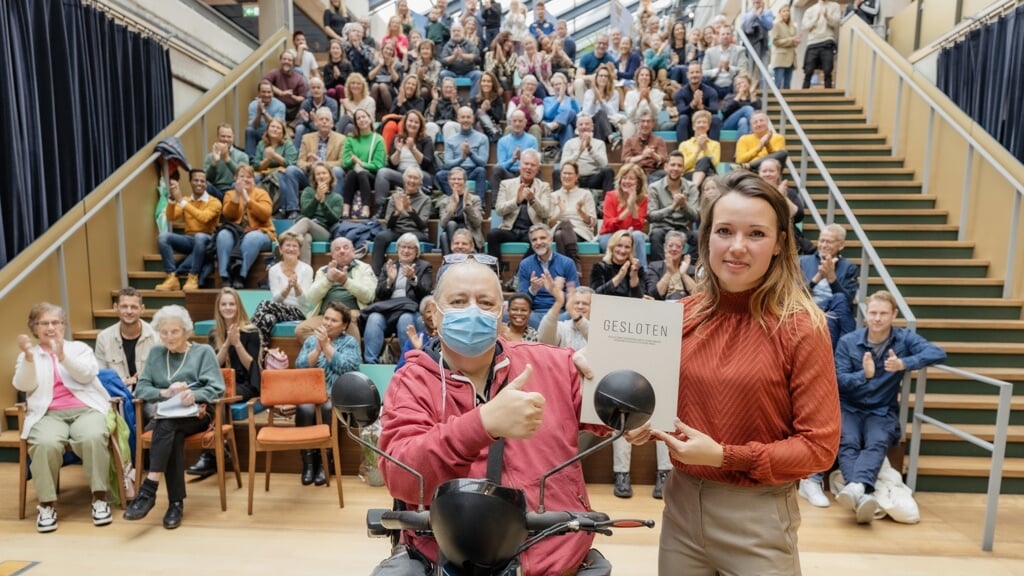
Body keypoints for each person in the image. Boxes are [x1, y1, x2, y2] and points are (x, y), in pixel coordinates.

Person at [613, 171, 840, 574]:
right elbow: (649, 407)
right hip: (680, 510)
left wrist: (725, 456)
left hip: (758, 518)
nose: (737, 247)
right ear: (707, 239)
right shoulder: (678, 317)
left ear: (779, 243)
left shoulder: (803, 326)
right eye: (724, 231)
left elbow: (819, 447)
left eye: (755, 233)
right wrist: (635, 422)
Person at [373, 258, 613, 576]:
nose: (473, 311)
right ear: (434, 314)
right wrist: (482, 424)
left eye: (485, 302)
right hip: (448, 560)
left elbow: (622, 414)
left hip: (554, 558)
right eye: (458, 301)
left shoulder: (555, 365)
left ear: (500, 314)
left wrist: (613, 372)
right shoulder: (411, 381)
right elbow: (402, 476)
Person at [834, 291, 946, 523]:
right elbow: (839, 379)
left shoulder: (904, 340)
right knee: (848, 441)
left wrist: (905, 363)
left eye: (883, 313)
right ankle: (863, 491)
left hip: (881, 408)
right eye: (873, 313)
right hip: (850, 406)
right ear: (866, 315)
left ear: (894, 314)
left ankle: (857, 490)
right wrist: (863, 375)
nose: (877, 318)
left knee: (876, 442)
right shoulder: (848, 341)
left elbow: (937, 353)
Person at [14, 303, 113, 533]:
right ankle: (47, 505)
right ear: (34, 327)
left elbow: (87, 374)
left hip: (86, 409)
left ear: (63, 325)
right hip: (47, 414)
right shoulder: (28, 355)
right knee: (44, 444)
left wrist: (62, 356)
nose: (50, 327)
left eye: (55, 322)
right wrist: (29, 358)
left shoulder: (79, 348)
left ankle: (99, 498)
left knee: (93, 436)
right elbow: (23, 385)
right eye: (44, 323)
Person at [124, 306, 225, 529]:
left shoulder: (203, 352)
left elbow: (218, 388)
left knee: (167, 426)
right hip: (167, 415)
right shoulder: (156, 354)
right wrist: (165, 393)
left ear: (186, 332)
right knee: (171, 431)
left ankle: (149, 490)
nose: (169, 337)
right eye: (164, 332)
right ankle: (175, 504)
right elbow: (141, 389)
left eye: (175, 331)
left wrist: (195, 394)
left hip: (198, 413)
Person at [186, 288, 262, 479]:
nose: (228, 308)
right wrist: (226, 343)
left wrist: (237, 343)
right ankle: (218, 448)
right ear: (218, 308)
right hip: (220, 383)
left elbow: (251, 367)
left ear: (238, 306)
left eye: (231, 304)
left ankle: (210, 453)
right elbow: (212, 366)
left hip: (245, 383)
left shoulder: (252, 331)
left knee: (216, 396)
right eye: (224, 304)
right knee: (208, 394)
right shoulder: (214, 333)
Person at [295, 301, 361, 485]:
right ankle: (309, 464)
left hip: (336, 394)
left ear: (344, 325)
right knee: (304, 409)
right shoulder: (310, 341)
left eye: (333, 320)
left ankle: (326, 463)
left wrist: (327, 347)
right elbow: (300, 367)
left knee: (327, 407)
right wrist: (317, 348)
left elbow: (348, 369)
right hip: (310, 394)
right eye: (326, 318)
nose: (327, 323)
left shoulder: (349, 342)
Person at [361, 233, 434, 364]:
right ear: (398, 249)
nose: (406, 251)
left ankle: (408, 363)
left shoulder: (424, 266)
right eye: (403, 247)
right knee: (374, 318)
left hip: (410, 311)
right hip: (388, 310)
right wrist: (389, 280)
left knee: (405, 319)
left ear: (417, 251)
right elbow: (379, 294)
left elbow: (426, 294)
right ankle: (370, 364)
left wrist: (412, 279)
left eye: (410, 248)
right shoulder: (389, 266)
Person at [295, 237, 377, 343]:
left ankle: (353, 358)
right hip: (326, 316)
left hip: (353, 313)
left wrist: (346, 282)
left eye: (345, 248)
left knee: (348, 318)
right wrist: (328, 280)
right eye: (337, 249)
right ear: (332, 254)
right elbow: (311, 299)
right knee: (301, 330)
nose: (342, 251)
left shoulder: (364, 268)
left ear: (353, 252)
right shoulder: (323, 271)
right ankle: (326, 353)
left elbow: (368, 297)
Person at [155, 169, 222, 291]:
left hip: (207, 240)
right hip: (189, 240)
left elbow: (204, 218)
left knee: (200, 237)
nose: (199, 183)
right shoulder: (186, 200)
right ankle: (171, 277)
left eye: (202, 181)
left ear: (206, 184)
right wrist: (172, 199)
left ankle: (193, 276)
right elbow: (172, 216)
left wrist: (182, 202)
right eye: (196, 180)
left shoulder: (214, 202)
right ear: (190, 182)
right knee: (163, 237)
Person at [486, 149, 552, 272]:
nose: (529, 168)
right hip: (510, 229)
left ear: (537, 169)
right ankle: (495, 272)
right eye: (526, 164)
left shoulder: (544, 187)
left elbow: (546, 212)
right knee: (492, 235)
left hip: (532, 230)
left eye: (533, 165)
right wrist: (516, 201)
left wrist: (533, 200)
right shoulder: (506, 184)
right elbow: (499, 210)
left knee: (540, 241)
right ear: (520, 165)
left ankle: (518, 274)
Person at [250, 231, 314, 348]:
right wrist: (288, 287)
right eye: (288, 245)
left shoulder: (307, 269)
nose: (291, 249)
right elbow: (276, 300)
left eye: (294, 246)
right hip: (277, 310)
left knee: (264, 304)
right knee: (267, 319)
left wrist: (296, 286)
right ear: (280, 249)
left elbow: (306, 301)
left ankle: (248, 332)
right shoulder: (274, 270)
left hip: (299, 312)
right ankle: (262, 353)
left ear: (299, 251)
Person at [215, 165, 276, 289]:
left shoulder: (261, 193)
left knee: (251, 238)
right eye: (241, 176)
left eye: (249, 177)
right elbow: (229, 215)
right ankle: (225, 276)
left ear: (254, 179)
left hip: (261, 233)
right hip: (236, 233)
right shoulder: (229, 194)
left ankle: (240, 275)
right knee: (223, 235)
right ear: (235, 179)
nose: (245, 180)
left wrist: (248, 199)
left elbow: (265, 215)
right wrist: (237, 196)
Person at [800, 223, 858, 348]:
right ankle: (847, 349)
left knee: (837, 305)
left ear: (841, 245)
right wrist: (818, 277)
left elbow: (847, 302)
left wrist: (831, 277)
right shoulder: (803, 261)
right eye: (821, 241)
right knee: (830, 320)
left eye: (829, 242)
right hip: (808, 309)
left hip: (833, 313)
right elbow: (795, 294)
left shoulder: (848, 268)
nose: (824, 245)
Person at [283, 107, 346, 219]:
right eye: (321, 119)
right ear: (315, 122)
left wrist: (321, 164)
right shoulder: (307, 138)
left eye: (327, 119)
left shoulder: (341, 139)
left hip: (329, 177)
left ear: (332, 123)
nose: (324, 122)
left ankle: (335, 209)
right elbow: (300, 162)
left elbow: (342, 162)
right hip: (310, 176)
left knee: (338, 171)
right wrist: (311, 165)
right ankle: (293, 209)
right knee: (291, 170)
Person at [94, 288, 158, 392]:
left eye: (134, 307)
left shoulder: (156, 336)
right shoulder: (103, 338)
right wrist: (123, 382)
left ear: (142, 309)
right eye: (124, 306)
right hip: (117, 394)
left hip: (149, 395)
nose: (129, 311)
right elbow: (101, 376)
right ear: (115, 307)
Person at [515, 224, 579, 327]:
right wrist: (532, 290)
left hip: (560, 312)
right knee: (508, 313)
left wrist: (557, 292)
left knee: (574, 314)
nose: (539, 242)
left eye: (543, 238)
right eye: (534, 240)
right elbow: (521, 300)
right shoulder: (525, 264)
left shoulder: (567, 263)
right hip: (534, 313)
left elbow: (574, 297)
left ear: (550, 239)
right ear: (531, 243)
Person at [370, 168, 432, 274]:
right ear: (404, 179)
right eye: (410, 177)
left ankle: (414, 274)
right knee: (380, 237)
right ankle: (377, 274)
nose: (412, 181)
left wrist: (410, 211)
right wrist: (397, 212)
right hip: (396, 230)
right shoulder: (395, 197)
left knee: (410, 240)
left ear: (420, 182)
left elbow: (422, 225)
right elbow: (389, 224)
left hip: (415, 231)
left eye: (415, 178)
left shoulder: (425, 200)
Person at [285, 162, 345, 264]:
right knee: (305, 238)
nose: (321, 176)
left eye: (324, 173)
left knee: (305, 222)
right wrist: (316, 199)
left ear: (330, 176)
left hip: (324, 231)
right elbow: (305, 212)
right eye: (318, 174)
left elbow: (334, 219)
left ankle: (284, 242)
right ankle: (305, 274)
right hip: (307, 226)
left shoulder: (337, 198)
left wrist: (322, 203)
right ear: (314, 178)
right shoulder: (308, 192)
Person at [377, 110, 436, 211]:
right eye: (410, 121)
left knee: (422, 176)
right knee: (382, 172)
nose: (412, 124)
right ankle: (381, 207)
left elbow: (427, 163)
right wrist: (398, 151)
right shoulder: (397, 138)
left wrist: (413, 149)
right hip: (401, 174)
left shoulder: (426, 140)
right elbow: (392, 164)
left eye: (416, 122)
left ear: (420, 125)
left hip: (420, 174)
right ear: (405, 123)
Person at [647, 152, 699, 262]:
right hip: (661, 228)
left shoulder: (691, 187)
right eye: (673, 164)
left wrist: (684, 206)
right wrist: (672, 207)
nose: (675, 168)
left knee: (699, 236)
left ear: (683, 169)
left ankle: (687, 267)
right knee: (656, 235)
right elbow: (651, 216)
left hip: (682, 229)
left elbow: (695, 216)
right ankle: (661, 269)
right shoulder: (654, 187)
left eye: (679, 165)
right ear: (666, 167)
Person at [548, 161, 598, 271]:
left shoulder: (585, 194)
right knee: (564, 224)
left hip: (580, 231)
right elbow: (549, 223)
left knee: (560, 233)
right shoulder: (553, 196)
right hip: (558, 228)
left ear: (576, 176)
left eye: (570, 174)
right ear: (560, 175)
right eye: (564, 173)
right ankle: (574, 264)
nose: (567, 176)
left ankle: (565, 268)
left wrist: (581, 212)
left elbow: (593, 222)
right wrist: (560, 212)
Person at [598, 164, 649, 268]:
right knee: (619, 242)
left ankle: (643, 273)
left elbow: (638, 227)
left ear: (638, 183)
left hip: (630, 235)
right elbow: (609, 225)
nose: (626, 181)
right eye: (624, 178)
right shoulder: (611, 196)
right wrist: (627, 210)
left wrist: (633, 203)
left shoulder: (643, 199)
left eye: (631, 179)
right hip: (610, 234)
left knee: (638, 235)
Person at [436, 106, 489, 200]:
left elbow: (483, 163)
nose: (465, 120)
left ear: (473, 119)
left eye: (468, 117)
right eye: (463, 117)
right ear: (458, 119)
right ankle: (454, 199)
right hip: (456, 171)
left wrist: (470, 153)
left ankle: (480, 204)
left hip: (472, 171)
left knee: (481, 170)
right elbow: (447, 164)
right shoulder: (451, 140)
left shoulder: (482, 138)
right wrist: (462, 158)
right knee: (440, 175)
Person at [341, 108, 386, 219]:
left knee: (362, 174)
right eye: (358, 118)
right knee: (351, 174)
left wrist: (362, 164)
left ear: (370, 119)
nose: (361, 120)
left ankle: (366, 207)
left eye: (364, 117)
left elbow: (378, 164)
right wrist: (353, 161)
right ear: (356, 123)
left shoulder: (378, 139)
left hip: (370, 176)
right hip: (354, 175)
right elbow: (345, 162)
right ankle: (346, 208)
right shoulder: (350, 139)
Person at [558, 114, 615, 193]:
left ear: (592, 127)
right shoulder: (569, 143)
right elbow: (563, 165)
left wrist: (590, 149)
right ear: (577, 128)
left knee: (608, 171)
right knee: (557, 172)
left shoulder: (600, 143)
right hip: (575, 178)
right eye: (581, 124)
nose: (584, 127)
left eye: (587, 124)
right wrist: (578, 152)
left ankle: (606, 202)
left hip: (593, 177)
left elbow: (604, 164)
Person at [253, 118, 298, 215]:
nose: (275, 129)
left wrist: (275, 156)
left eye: (278, 128)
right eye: (272, 126)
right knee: (255, 179)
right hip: (264, 173)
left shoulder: (288, 145)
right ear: (267, 129)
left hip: (282, 174)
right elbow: (256, 166)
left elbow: (291, 164)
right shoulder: (261, 144)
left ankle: (282, 210)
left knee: (280, 178)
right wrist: (268, 159)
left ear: (282, 133)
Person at [490, 110, 540, 197]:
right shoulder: (502, 141)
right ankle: (495, 207)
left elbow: (534, 162)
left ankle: (535, 201)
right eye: (515, 121)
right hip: (509, 173)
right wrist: (512, 160)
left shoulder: (532, 140)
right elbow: (501, 164)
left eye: (520, 121)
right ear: (510, 123)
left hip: (525, 173)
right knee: (496, 170)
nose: (517, 124)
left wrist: (522, 158)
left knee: (537, 171)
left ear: (525, 123)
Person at [439, 168, 485, 254]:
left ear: (464, 181)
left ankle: (450, 260)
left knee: (444, 236)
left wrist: (467, 205)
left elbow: (477, 223)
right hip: (451, 239)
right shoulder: (445, 201)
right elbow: (443, 224)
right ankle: (452, 258)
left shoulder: (475, 199)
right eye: (453, 179)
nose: (456, 181)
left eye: (459, 179)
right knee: (448, 229)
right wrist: (452, 206)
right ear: (449, 182)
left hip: (469, 236)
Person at [673, 61, 722, 143]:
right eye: (692, 72)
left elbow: (714, 110)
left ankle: (713, 151)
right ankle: (682, 152)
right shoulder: (680, 93)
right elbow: (681, 111)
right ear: (687, 75)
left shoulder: (711, 91)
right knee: (683, 118)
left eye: (697, 72)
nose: (694, 75)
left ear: (701, 74)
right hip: (688, 126)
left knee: (715, 119)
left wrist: (702, 107)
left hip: (705, 125)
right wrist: (693, 104)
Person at [590, 229, 644, 298]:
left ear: (631, 250)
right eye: (619, 245)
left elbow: (639, 299)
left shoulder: (637, 269)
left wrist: (634, 276)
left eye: (627, 247)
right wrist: (620, 276)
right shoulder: (599, 267)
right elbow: (596, 295)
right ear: (612, 246)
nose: (623, 250)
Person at [538, 283, 593, 351]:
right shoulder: (562, 327)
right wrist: (558, 303)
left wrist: (575, 315)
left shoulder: (599, 330)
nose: (580, 306)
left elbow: (595, 341)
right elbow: (545, 341)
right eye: (576, 303)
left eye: (585, 304)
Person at [645, 230, 696, 301]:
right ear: (665, 247)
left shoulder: (691, 269)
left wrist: (683, 274)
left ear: (683, 249)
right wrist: (669, 273)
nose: (674, 249)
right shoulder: (654, 267)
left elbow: (697, 294)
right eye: (670, 245)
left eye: (678, 246)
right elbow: (654, 294)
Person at [801, 0, 842, 89]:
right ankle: (803, 95)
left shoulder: (835, 6)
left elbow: (837, 23)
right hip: (812, 42)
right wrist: (816, 18)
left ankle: (829, 96)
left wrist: (827, 16)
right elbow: (805, 27)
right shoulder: (810, 10)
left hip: (827, 41)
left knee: (828, 71)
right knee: (808, 71)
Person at [204, 124, 250, 200]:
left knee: (237, 184)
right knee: (204, 184)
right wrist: (214, 163)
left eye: (229, 137)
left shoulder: (242, 156)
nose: (226, 139)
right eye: (223, 136)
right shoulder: (209, 157)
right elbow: (208, 178)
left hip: (234, 189)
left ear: (233, 138)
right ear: (217, 137)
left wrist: (227, 159)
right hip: (216, 190)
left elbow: (243, 176)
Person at [701, 26, 748, 98]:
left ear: (732, 36)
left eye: (728, 34)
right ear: (719, 36)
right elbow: (704, 71)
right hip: (714, 84)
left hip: (732, 84)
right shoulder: (710, 52)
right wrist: (717, 70)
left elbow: (743, 69)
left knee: (743, 79)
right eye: (723, 34)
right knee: (702, 80)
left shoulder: (740, 50)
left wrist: (728, 68)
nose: (725, 36)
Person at [580, 64, 622, 145]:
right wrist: (594, 100)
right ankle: (611, 137)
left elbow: (613, 112)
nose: (603, 78)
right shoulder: (589, 93)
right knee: (599, 115)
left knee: (601, 114)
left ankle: (598, 148)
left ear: (609, 79)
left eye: (606, 76)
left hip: (609, 123)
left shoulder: (614, 93)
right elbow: (586, 113)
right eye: (601, 76)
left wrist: (601, 101)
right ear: (596, 78)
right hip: (592, 121)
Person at [622, 67, 669, 140]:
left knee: (645, 124)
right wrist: (639, 101)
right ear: (637, 78)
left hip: (651, 122)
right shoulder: (630, 94)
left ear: (650, 79)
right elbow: (629, 114)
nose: (644, 77)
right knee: (628, 127)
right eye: (642, 75)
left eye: (647, 75)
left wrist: (648, 99)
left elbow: (656, 113)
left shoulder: (657, 93)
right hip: (634, 121)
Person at [678, 110, 720, 190]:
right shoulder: (684, 144)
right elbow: (683, 166)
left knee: (705, 160)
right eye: (699, 122)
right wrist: (698, 151)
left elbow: (715, 164)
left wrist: (705, 148)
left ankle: (693, 188)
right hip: (690, 175)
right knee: (706, 165)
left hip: (710, 175)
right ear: (693, 126)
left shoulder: (715, 144)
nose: (701, 125)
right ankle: (695, 187)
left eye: (704, 122)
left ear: (708, 126)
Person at [621, 112, 669, 183]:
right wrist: (642, 156)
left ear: (653, 124)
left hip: (654, 171)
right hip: (635, 172)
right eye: (643, 121)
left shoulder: (659, 140)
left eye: (648, 121)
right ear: (638, 124)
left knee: (665, 175)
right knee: (645, 179)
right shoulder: (630, 140)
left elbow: (662, 159)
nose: (645, 124)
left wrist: (652, 154)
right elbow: (625, 161)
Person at [245, 80, 287, 158]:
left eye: (269, 92)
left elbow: (276, 125)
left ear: (273, 93)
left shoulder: (280, 105)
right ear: (259, 93)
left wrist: (263, 112)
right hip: (260, 134)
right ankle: (251, 159)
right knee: (249, 130)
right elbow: (253, 126)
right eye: (263, 92)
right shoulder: (253, 105)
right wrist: (258, 113)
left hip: (275, 135)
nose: (266, 94)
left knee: (276, 130)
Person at [294, 76, 340, 146]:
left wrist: (316, 120)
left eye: (318, 88)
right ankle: (296, 154)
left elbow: (333, 120)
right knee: (300, 128)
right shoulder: (306, 103)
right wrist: (309, 121)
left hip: (327, 128)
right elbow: (301, 121)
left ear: (323, 89)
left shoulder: (332, 103)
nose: (316, 90)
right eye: (313, 88)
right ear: (309, 90)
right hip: (309, 127)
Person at [439, 23, 482, 96]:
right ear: (451, 33)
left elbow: (477, 58)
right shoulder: (448, 45)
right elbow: (443, 61)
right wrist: (454, 57)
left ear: (463, 32)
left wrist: (463, 56)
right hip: (453, 73)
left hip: (469, 72)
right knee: (443, 73)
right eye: (454, 31)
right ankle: (447, 98)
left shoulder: (469, 43)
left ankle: (472, 99)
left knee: (479, 74)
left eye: (458, 31)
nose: (456, 33)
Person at [264, 50, 308, 121]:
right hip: (277, 107)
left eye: (289, 60)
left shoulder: (299, 78)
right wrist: (281, 93)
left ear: (293, 63)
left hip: (293, 109)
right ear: (280, 61)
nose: (286, 61)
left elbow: (302, 98)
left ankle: (293, 125)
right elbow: (265, 82)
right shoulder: (274, 72)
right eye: (284, 59)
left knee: (306, 103)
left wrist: (291, 96)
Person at [539, 72, 578, 147]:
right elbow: (548, 115)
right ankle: (567, 155)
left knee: (570, 112)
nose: (557, 86)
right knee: (567, 126)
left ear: (565, 85)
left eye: (560, 84)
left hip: (563, 127)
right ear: (552, 87)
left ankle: (554, 125)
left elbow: (577, 114)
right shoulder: (547, 100)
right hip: (555, 132)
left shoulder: (572, 99)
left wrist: (571, 95)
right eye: (555, 85)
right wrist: (559, 99)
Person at [369, 40, 406, 119]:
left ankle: (391, 113)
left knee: (382, 86)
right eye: (387, 49)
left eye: (391, 49)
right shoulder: (375, 62)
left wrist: (390, 68)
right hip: (375, 90)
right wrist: (380, 65)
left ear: (393, 52)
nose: (388, 51)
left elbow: (397, 82)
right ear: (382, 50)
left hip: (391, 91)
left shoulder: (398, 64)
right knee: (375, 86)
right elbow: (370, 77)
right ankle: (371, 114)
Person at [574, 34, 614, 99]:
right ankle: (581, 107)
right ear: (595, 44)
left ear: (607, 46)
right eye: (599, 43)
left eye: (604, 44)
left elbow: (614, 76)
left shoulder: (610, 59)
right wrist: (590, 77)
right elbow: (578, 75)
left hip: (603, 83)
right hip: (589, 83)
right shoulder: (586, 57)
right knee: (578, 82)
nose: (601, 46)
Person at [424, 76, 464, 143]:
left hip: (453, 126)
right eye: (446, 87)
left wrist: (454, 101)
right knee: (429, 126)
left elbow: (462, 119)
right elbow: (429, 119)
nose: (448, 90)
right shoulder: (436, 101)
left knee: (449, 126)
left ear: (455, 89)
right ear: (442, 89)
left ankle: (450, 153)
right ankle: (428, 152)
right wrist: (435, 100)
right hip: (438, 125)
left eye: (450, 87)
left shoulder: (460, 101)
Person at [770, 4, 800, 90]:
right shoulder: (776, 25)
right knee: (778, 83)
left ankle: (786, 103)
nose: (786, 13)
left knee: (787, 85)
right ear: (779, 13)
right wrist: (791, 40)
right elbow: (775, 42)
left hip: (791, 59)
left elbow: (794, 42)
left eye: (788, 11)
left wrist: (796, 41)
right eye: (784, 11)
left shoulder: (792, 26)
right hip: (780, 58)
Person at [507, 75, 545, 143]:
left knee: (536, 128)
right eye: (528, 84)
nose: (530, 86)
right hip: (517, 127)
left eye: (533, 85)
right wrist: (520, 106)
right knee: (509, 128)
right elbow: (509, 118)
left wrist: (530, 106)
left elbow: (537, 120)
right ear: (522, 86)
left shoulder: (539, 102)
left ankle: (535, 153)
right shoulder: (514, 100)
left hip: (530, 130)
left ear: (536, 88)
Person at [740, 0, 775, 71]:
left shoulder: (768, 13)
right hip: (750, 47)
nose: (756, 1)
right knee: (749, 71)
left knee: (763, 72)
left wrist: (761, 15)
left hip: (763, 47)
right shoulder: (746, 15)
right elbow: (745, 28)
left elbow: (769, 26)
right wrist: (754, 15)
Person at [471, 70, 504, 141]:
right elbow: (472, 120)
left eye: (489, 81)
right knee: (479, 122)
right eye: (484, 81)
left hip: (495, 126)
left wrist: (489, 109)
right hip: (479, 128)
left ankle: (493, 131)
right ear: (480, 83)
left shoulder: (498, 99)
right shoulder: (474, 100)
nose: (486, 83)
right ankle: (494, 133)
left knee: (479, 117)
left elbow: (498, 118)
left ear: (493, 84)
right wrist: (482, 110)